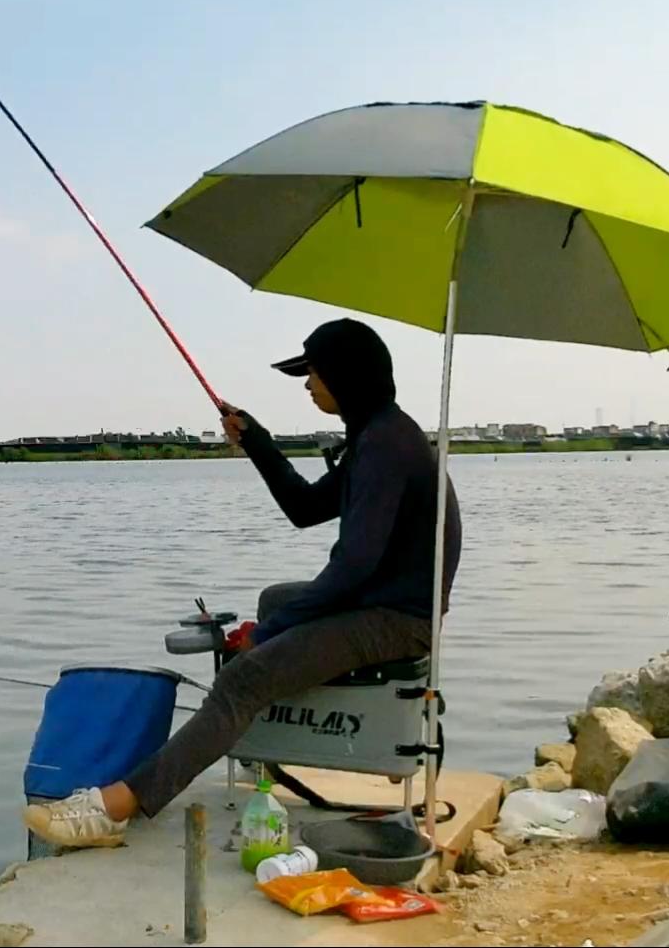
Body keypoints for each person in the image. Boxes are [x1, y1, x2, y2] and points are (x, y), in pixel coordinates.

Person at [23, 317, 462, 849]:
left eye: (314, 373)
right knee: (275, 600)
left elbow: (353, 568)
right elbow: (304, 508)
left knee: (242, 679)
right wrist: (258, 442)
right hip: (382, 599)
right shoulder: (378, 433)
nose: (307, 385)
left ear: (345, 376)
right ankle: (268, 737)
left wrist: (269, 632)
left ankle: (117, 806)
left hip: (397, 619)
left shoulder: (385, 447)